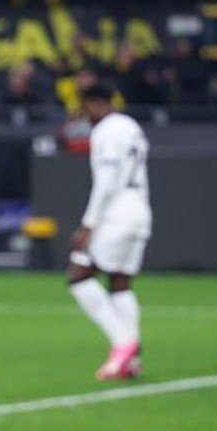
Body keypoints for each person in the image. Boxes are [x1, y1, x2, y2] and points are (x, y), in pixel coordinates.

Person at [67, 83, 151, 380]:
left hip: (116, 214)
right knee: (120, 283)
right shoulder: (131, 126)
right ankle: (131, 360)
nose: (83, 114)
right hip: (140, 210)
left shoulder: (106, 130)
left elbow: (107, 181)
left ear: (92, 103)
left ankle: (123, 344)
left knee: (79, 277)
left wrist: (88, 225)